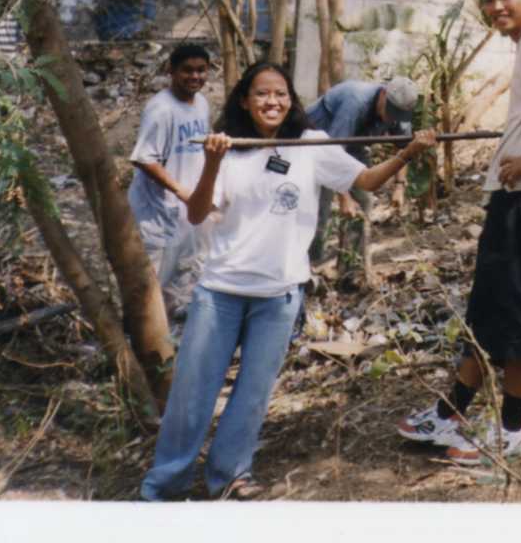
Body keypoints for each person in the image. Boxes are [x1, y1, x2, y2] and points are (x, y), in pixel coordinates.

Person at [140, 62, 435, 501]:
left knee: (253, 393)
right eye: (261, 93)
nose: (272, 101)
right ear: (245, 100)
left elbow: (366, 179)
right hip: (220, 292)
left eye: (280, 93)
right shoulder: (229, 148)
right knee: (192, 393)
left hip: (278, 297)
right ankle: (164, 485)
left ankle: (231, 475)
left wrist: (407, 153)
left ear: (291, 100)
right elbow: (199, 212)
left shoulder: (314, 144)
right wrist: (212, 163)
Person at [397, 0, 521, 463]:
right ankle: (451, 412)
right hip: (516, 195)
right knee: (490, 306)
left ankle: (513, 427)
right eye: (488, 0)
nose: (496, 6)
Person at [128, 43, 212, 318]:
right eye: (187, 70)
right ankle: (139, 342)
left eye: (201, 70)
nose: (195, 77)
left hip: (186, 209)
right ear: (171, 71)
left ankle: (172, 339)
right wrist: (180, 191)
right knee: (151, 282)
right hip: (157, 211)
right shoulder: (161, 109)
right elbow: (143, 157)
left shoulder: (201, 104)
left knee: (184, 276)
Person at [304, 76, 422, 262]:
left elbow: (403, 148)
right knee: (320, 208)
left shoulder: (400, 112)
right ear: (383, 93)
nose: (392, 118)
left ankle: (351, 269)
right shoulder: (355, 101)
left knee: (364, 200)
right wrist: (344, 197)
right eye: (390, 111)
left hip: (353, 146)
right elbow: (333, 154)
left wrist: (400, 186)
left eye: (397, 115)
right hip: (316, 147)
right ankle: (310, 267)